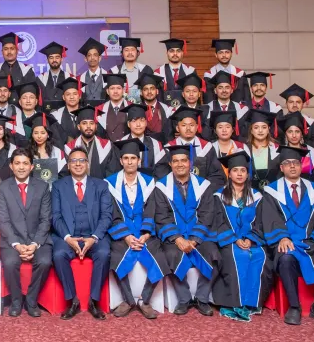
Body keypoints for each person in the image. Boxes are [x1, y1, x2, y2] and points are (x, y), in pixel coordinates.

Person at [259, 145, 314, 327]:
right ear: (281, 167)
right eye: (288, 163)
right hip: (287, 242)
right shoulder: (271, 192)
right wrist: (282, 237)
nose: (292, 166)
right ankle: (294, 306)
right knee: (286, 258)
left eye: (296, 163)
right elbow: (271, 219)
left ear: (301, 166)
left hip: (311, 242)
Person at [152, 145, 220, 316]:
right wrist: (177, 238)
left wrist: (195, 239)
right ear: (170, 164)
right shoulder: (161, 187)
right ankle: (184, 299)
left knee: (215, 254)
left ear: (190, 163)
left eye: (183, 160)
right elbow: (162, 216)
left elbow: (207, 214)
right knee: (170, 254)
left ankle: (202, 298)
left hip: (199, 236)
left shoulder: (203, 185)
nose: (180, 164)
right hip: (175, 237)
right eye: (175, 161)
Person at [106, 138, 167, 320]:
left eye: (133, 158)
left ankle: (145, 300)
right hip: (122, 234)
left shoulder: (150, 183)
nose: (130, 162)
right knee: (114, 256)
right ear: (121, 161)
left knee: (161, 257)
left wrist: (145, 235)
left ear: (139, 161)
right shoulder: (110, 184)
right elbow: (111, 213)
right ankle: (128, 300)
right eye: (126, 158)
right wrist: (126, 236)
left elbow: (153, 210)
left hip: (145, 232)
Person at [51, 147, 112, 320]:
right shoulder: (58, 186)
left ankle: (94, 301)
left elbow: (106, 215)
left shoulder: (101, 185)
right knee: (58, 254)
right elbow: (55, 216)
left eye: (82, 160)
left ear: (87, 164)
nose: (78, 164)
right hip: (68, 236)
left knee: (104, 253)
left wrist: (94, 238)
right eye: (73, 161)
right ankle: (73, 300)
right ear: (68, 165)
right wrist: (67, 238)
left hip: (93, 235)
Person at [212, 151, 273, 322]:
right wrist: (235, 239)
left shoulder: (257, 197)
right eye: (235, 170)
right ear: (229, 174)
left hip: (251, 240)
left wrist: (251, 239)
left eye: (243, 170)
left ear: (247, 174)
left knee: (259, 255)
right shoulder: (219, 196)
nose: (239, 174)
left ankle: (250, 303)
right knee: (239, 255)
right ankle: (234, 303)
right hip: (228, 241)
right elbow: (217, 222)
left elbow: (261, 222)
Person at [0, 148, 53, 317]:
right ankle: (16, 300)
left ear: (32, 166)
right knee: (10, 263)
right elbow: (2, 220)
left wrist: (34, 244)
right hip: (12, 240)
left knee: (45, 261)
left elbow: (46, 219)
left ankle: (31, 300)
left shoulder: (42, 187)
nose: (21, 167)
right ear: (11, 166)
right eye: (17, 163)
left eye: (25, 163)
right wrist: (17, 244)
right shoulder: (2, 188)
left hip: (38, 239)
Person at [156, 106, 226, 190]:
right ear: (177, 128)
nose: (188, 128)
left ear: (197, 127)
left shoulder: (207, 147)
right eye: (184, 125)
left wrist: (203, 189)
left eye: (191, 125)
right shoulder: (169, 148)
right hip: (176, 192)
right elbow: (161, 173)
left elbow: (216, 175)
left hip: (203, 192)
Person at [64, 106, 119, 179]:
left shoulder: (107, 145)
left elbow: (112, 172)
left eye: (92, 123)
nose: (88, 126)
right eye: (84, 123)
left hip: (102, 185)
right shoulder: (69, 147)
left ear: (96, 126)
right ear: (78, 126)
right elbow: (67, 175)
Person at [277, 111, 314, 185]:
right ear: (285, 135)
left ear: (301, 134)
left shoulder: (312, 153)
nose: (294, 135)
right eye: (290, 132)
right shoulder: (279, 153)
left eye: (297, 131)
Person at [202, 71, 249, 141]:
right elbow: (205, 134)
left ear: (231, 90)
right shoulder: (206, 109)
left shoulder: (242, 109)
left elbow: (244, 134)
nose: (224, 90)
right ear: (215, 91)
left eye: (227, 87)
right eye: (220, 87)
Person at [0, 32, 37, 102]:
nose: (9, 52)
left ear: (17, 51)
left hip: (20, 107)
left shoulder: (27, 70)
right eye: (6, 49)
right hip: (0, 108)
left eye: (12, 48)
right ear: (2, 52)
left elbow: (32, 93)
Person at [119, 104, 165, 175]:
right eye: (134, 121)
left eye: (142, 120)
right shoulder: (121, 143)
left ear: (146, 123)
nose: (138, 125)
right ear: (128, 124)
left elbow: (160, 170)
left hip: (150, 181)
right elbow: (117, 170)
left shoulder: (156, 144)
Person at [204, 39, 250, 105]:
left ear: (231, 54)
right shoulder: (209, 75)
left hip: (238, 110)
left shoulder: (240, 74)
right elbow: (208, 99)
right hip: (216, 110)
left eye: (227, 52)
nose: (224, 55)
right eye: (220, 53)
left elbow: (247, 98)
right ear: (216, 55)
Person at [278, 83, 314, 152]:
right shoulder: (279, 122)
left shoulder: (311, 122)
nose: (294, 105)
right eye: (291, 102)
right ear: (286, 104)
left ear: (303, 104)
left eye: (298, 102)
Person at [26, 112, 67, 183]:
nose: (39, 136)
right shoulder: (27, 153)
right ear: (32, 135)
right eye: (36, 133)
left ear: (48, 134)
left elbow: (63, 174)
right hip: (33, 188)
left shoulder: (57, 152)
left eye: (43, 133)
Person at [245, 109, 280, 190]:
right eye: (256, 127)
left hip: (274, 191)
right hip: (250, 191)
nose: (260, 130)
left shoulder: (277, 149)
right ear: (251, 130)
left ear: (268, 130)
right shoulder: (244, 149)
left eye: (264, 127)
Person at [154, 38, 195, 108]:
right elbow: (158, 97)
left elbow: (195, 95)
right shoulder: (158, 73)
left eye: (178, 51)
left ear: (182, 53)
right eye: (171, 51)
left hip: (186, 111)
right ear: (167, 53)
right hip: (165, 111)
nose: (175, 54)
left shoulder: (190, 71)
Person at [109, 37, 152, 103]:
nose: (130, 53)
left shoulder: (146, 70)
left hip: (141, 107)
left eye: (132, 50)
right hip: (120, 107)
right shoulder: (114, 71)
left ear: (138, 53)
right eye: (126, 50)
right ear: (122, 54)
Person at [138, 72, 175, 145]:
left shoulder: (167, 109)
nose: (149, 92)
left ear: (157, 91)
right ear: (141, 93)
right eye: (145, 89)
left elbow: (170, 134)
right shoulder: (137, 109)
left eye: (152, 89)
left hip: (163, 147)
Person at [95, 74, 131, 143]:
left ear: (123, 90)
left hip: (127, 146)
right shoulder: (99, 109)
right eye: (112, 88)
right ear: (107, 91)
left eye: (118, 88)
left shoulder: (131, 107)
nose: (115, 91)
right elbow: (99, 134)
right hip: (107, 147)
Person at [36, 42, 70, 112]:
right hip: (46, 116)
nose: (54, 60)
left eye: (57, 57)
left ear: (62, 59)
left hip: (65, 115)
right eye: (51, 57)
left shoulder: (69, 77)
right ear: (47, 60)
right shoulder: (40, 79)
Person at [50, 77, 82, 144]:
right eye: (68, 94)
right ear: (63, 97)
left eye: (75, 94)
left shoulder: (88, 113)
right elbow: (56, 141)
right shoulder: (56, 116)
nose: (72, 97)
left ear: (79, 96)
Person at [9, 81, 42, 147]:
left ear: (36, 101)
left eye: (31, 97)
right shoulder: (12, 121)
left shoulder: (43, 120)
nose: (28, 101)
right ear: (20, 102)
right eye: (24, 98)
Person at [77, 37, 108, 106]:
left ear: (99, 58)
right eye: (89, 55)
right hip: (86, 111)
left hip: (103, 111)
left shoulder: (108, 76)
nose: (92, 58)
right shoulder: (79, 79)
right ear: (85, 59)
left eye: (95, 55)